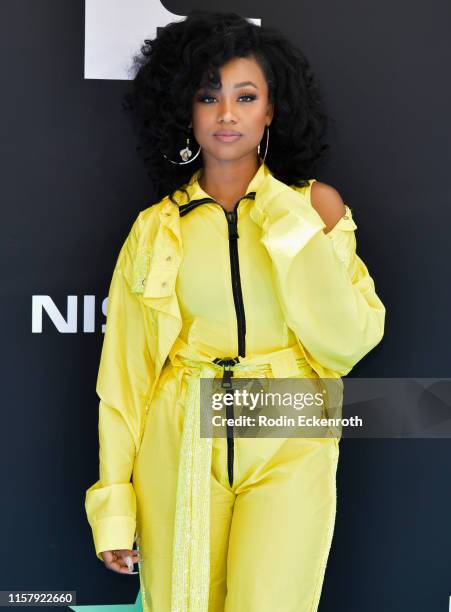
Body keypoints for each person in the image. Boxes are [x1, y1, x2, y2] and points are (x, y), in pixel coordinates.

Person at [85, 9, 386, 612]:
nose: (227, 114)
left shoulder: (312, 207)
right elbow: (124, 378)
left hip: (289, 425)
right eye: (208, 96)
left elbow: (349, 341)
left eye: (246, 96)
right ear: (185, 110)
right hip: (181, 433)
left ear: (271, 110)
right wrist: (115, 508)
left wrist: (288, 224)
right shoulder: (155, 229)